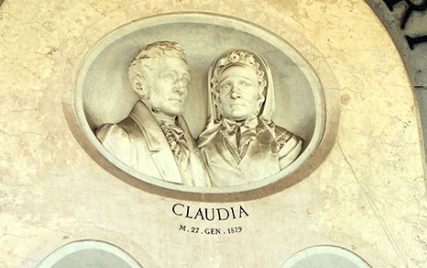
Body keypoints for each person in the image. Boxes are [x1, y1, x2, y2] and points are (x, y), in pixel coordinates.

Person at [95, 41, 210, 186]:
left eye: (184, 79)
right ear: (140, 86)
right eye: (169, 76)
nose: (181, 88)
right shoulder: (118, 138)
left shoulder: (200, 147)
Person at [197, 48, 303, 186]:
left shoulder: (286, 144)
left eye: (245, 84)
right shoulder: (202, 147)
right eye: (226, 86)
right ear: (217, 98)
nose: (235, 93)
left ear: (260, 93)